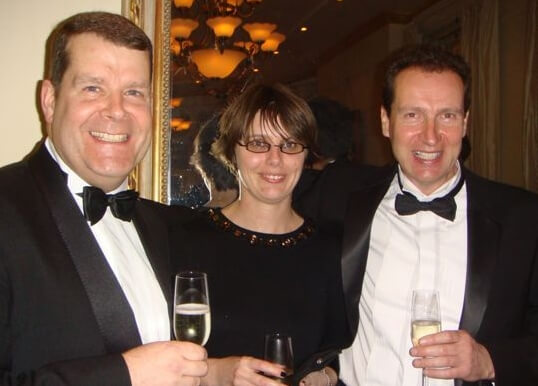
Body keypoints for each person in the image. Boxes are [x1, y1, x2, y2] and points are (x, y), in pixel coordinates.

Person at [0, 12, 207, 385]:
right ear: (49, 100)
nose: (117, 110)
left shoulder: (160, 225)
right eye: (93, 87)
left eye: (133, 92)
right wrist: (123, 376)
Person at [326, 45, 538, 385]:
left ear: (465, 122)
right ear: (385, 121)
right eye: (412, 115)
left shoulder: (523, 219)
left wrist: (491, 360)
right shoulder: (340, 196)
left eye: (447, 115)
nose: (430, 136)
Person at [170, 83, 350, 386]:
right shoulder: (186, 240)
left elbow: (336, 353)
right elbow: (161, 355)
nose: (275, 159)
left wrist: (323, 378)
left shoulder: (333, 247)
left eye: (290, 144)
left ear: (305, 155)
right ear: (231, 150)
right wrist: (218, 373)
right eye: (257, 143)